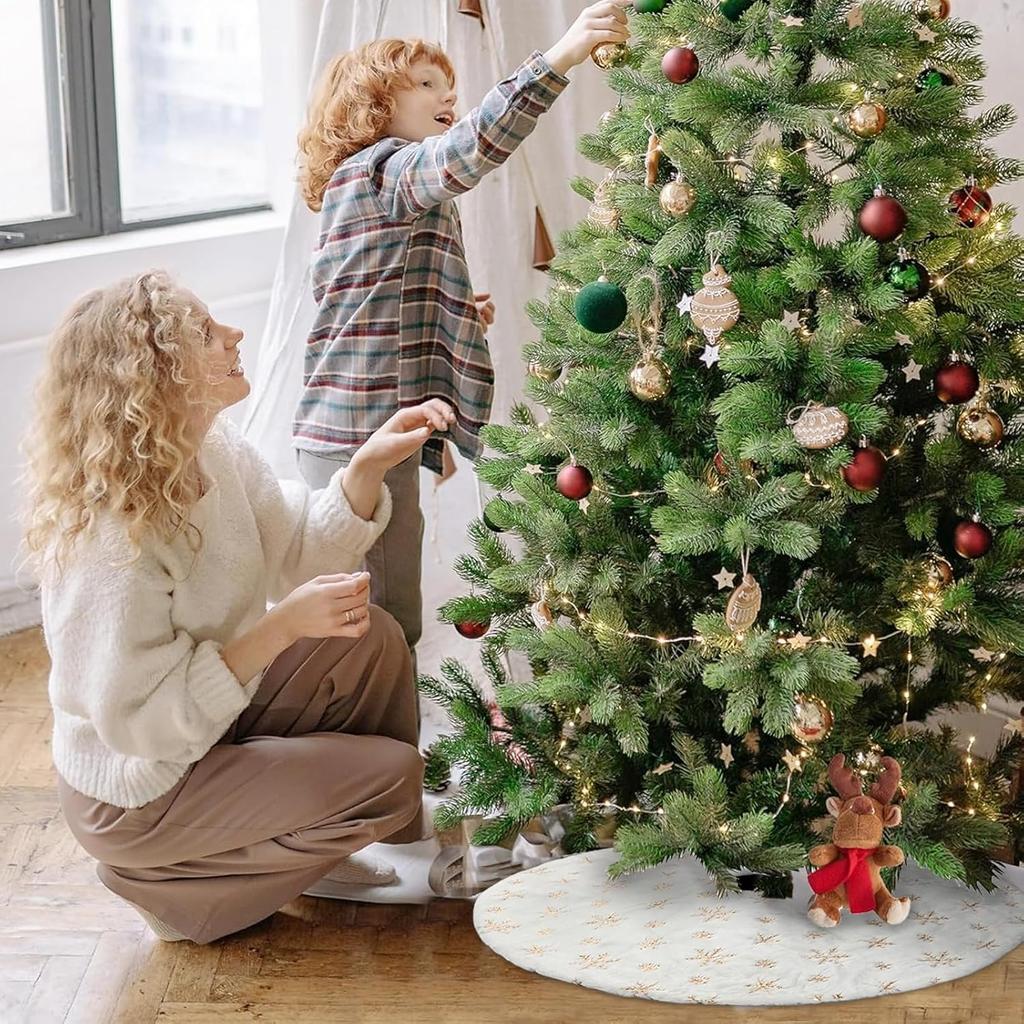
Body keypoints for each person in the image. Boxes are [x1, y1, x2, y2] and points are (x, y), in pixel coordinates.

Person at [21, 271, 455, 944]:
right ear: (157, 376)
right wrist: (281, 628)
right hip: (140, 789)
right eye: (205, 333)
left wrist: (366, 467)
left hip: (206, 728)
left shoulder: (214, 449)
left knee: (370, 638)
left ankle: (370, 841)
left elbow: (301, 549)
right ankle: (173, 885)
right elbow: (144, 727)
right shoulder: (110, 533)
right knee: (390, 776)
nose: (235, 334)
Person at [293, 1, 632, 666]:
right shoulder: (383, 170)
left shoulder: (371, 190)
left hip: (361, 430)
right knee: (384, 624)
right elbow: (467, 152)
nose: (448, 93)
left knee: (378, 616)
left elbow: (361, 294)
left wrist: (453, 310)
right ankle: (383, 755)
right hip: (361, 437)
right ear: (372, 103)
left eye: (447, 83)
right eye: (425, 83)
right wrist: (558, 56)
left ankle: (374, 745)